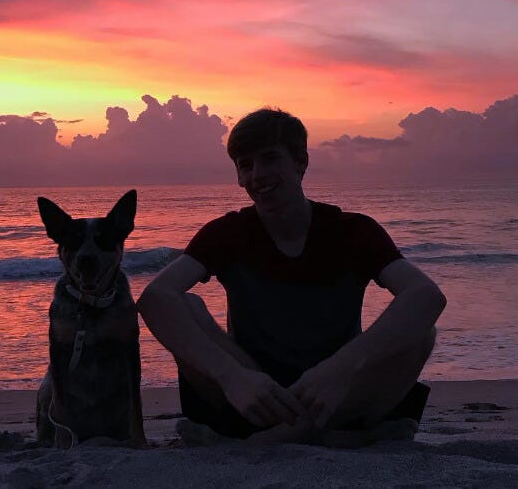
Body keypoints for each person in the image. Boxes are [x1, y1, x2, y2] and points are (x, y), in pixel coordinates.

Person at [137, 108, 446, 446]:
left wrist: (342, 368)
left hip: (335, 397)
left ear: (301, 162)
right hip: (255, 398)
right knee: (187, 306)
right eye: (246, 164)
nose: (258, 174)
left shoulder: (352, 231)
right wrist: (233, 377)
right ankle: (331, 439)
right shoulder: (228, 233)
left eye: (270, 159)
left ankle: (286, 438)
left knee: (421, 331)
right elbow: (156, 298)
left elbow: (426, 295)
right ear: (238, 176)